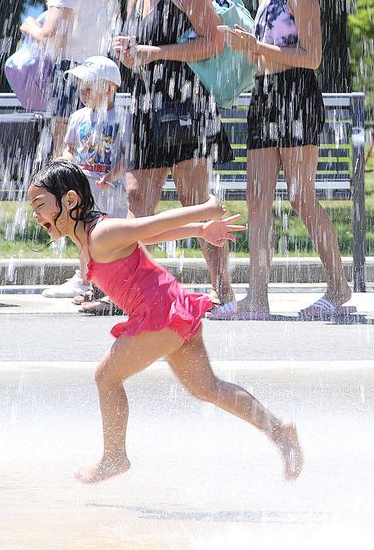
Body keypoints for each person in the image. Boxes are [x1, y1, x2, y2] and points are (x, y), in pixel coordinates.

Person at [26, 160, 303, 484]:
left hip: (160, 315)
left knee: (106, 377)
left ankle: (114, 457)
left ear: (70, 201)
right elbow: (149, 236)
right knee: (208, 388)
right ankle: (280, 432)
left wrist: (204, 210)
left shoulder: (101, 234)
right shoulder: (88, 237)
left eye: (40, 206)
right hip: (173, 309)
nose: (36, 216)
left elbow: (151, 225)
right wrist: (200, 230)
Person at [216, 0, 352, 321]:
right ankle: (256, 296)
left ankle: (339, 285)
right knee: (256, 198)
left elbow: (312, 58)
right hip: (264, 94)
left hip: (297, 95)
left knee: (300, 197)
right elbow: (262, 56)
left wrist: (258, 46)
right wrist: (243, 47)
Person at [111, 0, 238, 311]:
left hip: (185, 106)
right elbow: (142, 52)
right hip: (147, 106)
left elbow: (215, 41)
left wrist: (158, 51)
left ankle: (222, 290)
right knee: (136, 198)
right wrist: (130, 56)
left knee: (194, 201)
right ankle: (132, 291)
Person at [22, 0, 118, 301]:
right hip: (102, 78)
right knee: (97, 176)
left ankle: (84, 272)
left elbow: (53, 34)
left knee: (71, 176)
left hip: (71, 79)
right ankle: (94, 268)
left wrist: (30, 26)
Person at [21, 0, 117, 158]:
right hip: (102, 74)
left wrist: (31, 26)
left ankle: (62, 197)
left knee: (65, 151)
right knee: (97, 152)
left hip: (70, 74)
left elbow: (52, 36)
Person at [57, 56, 132, 314]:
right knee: (85, 238)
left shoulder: (121, 118)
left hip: (110, 192)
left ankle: (112, 291)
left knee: (109, 240)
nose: (82, 93)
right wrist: (66, 163)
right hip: (84, 187)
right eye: (81, 87)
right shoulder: (79, 117)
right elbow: (70, 147)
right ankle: (90, 283)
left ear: (110, 88)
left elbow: (124, 155)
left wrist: (112, 175)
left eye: (89, 87)